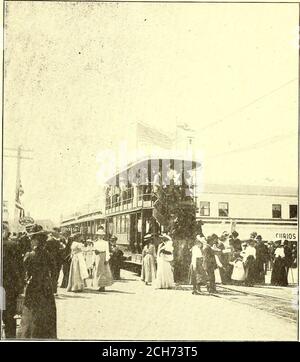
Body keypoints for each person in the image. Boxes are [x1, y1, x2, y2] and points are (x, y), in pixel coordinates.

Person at [20, 224, 57, 339]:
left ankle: (30, 336)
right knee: (46, 311)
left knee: (31, 313)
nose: (30, 241)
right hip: (46, 286)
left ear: (35, 240)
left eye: (31, 239)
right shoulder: (48, 255)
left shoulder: (29, 255)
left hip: (33, 286)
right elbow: (54, 271)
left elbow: (23, 271)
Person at [2, 223, 24, 338]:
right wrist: (21, 286)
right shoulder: (13, 245)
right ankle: (10, 338)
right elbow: (20, 268)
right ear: (5, 232)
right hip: (9, 286)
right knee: (9, 316)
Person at [45, 227, 65, 295]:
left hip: (58, 259)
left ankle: (53, 289)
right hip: (52, 260)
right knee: (53, 274)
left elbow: (63, 249)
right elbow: (46, 250)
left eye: (58, 232)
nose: (58, 233)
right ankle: (52, 290)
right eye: (57, 232)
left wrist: (62, 249)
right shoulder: (49, 240)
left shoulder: (60, 240)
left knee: (56, 274)